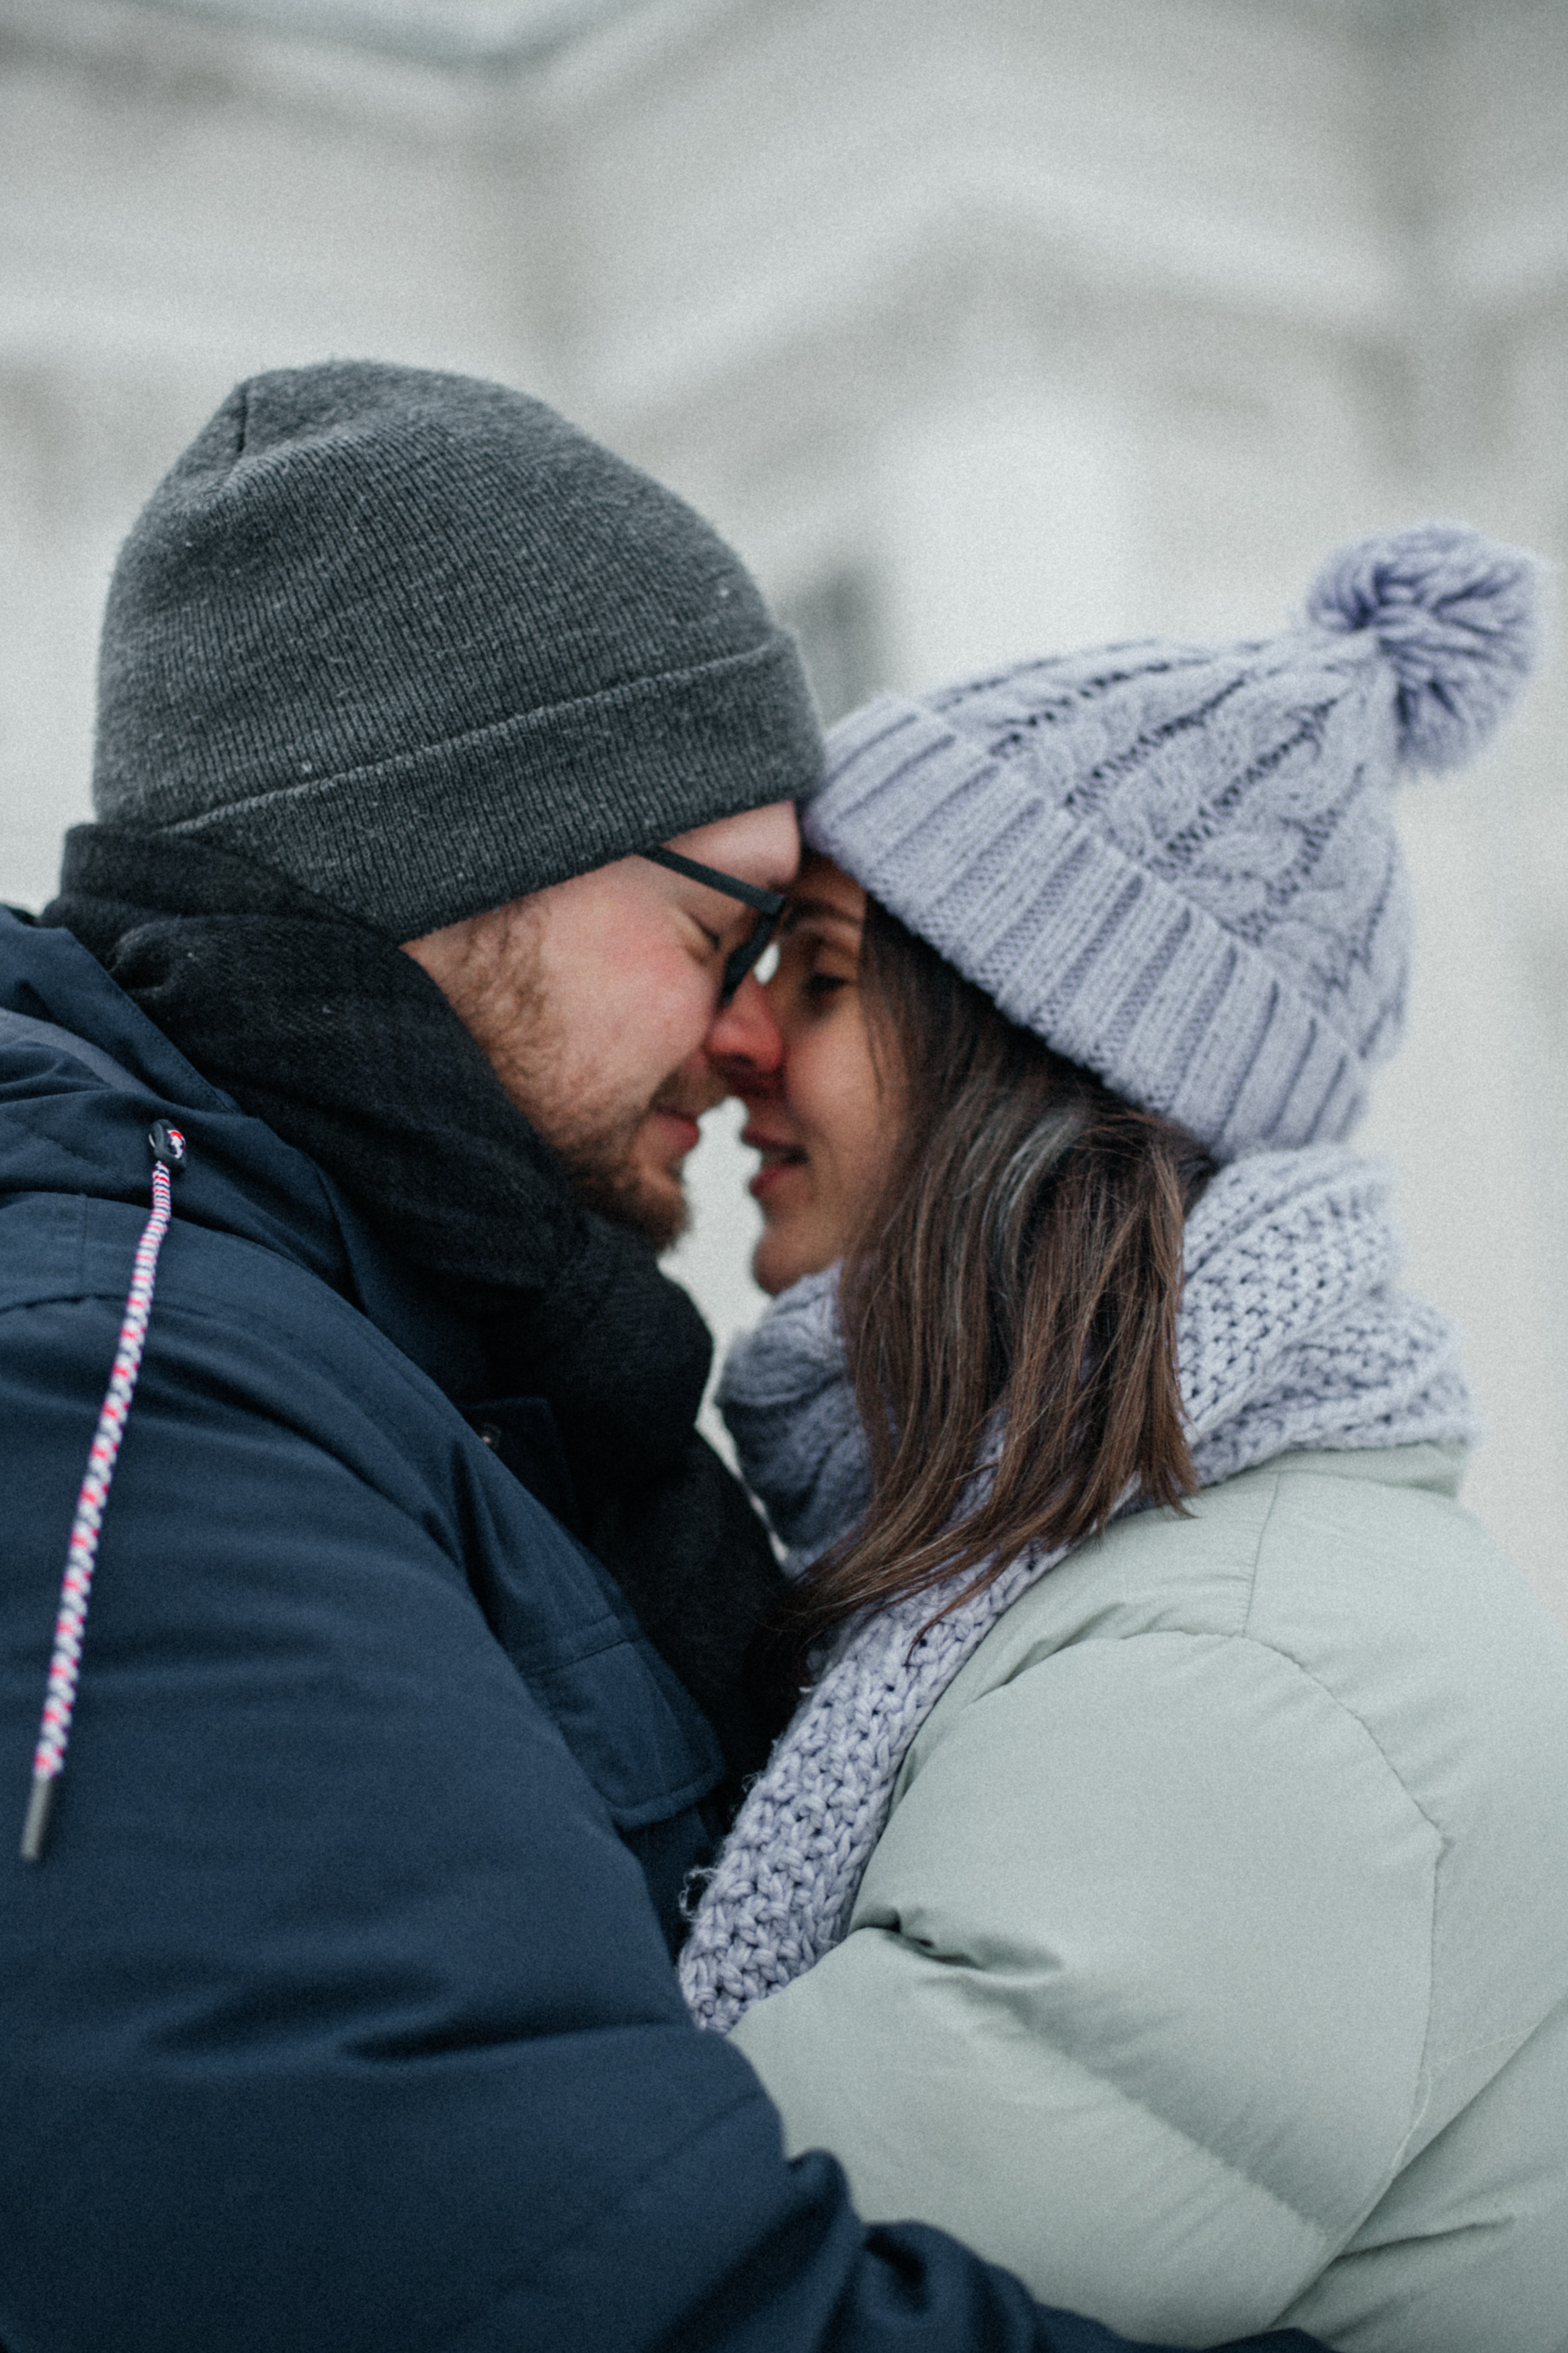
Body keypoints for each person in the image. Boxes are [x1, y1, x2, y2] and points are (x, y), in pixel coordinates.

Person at [0, 361, 1322, 2353]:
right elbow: (523, 2289)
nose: (756, 1039)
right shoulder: (123, 1389)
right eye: (737, 929)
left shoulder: (429, 1377)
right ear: (458, 842)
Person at [686, 524, 1568, 2350]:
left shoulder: (1241, 1670)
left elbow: (702, 2269)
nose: (734, 1037)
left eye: (824, 973)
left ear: (1038, 1068)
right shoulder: (1131, 1567)